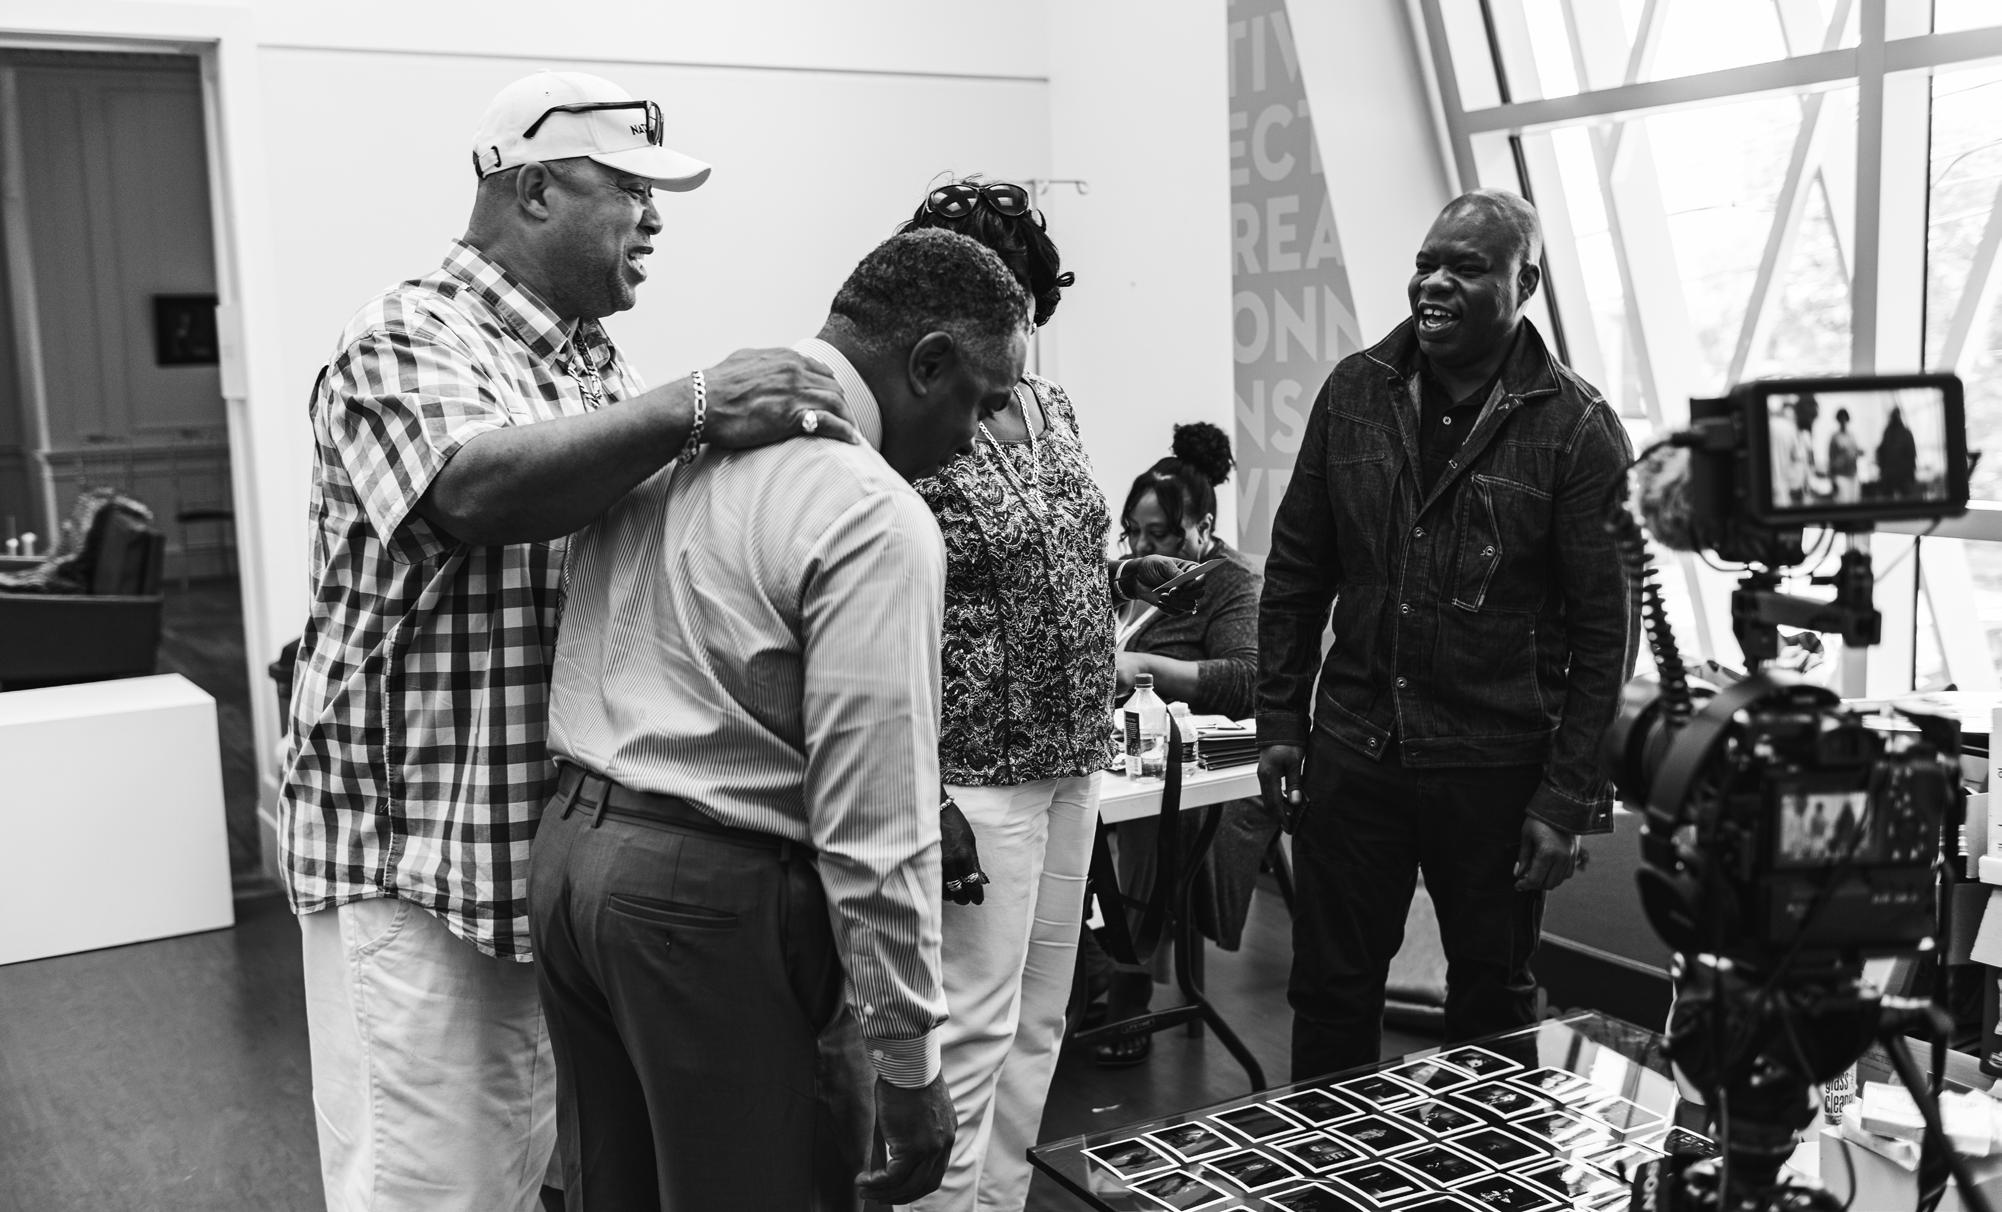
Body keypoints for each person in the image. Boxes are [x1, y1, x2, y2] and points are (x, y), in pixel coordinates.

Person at [276, 70, 858, 1212]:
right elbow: (474, 490)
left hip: (543, 873)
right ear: (534, 190)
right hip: (420, 872)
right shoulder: (406, 333)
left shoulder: (595, 364)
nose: (654, 220)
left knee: (528, 1179)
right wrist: (695, 406)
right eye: (629, 190)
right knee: (432, 1195)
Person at [531, 227, 1031, 1210]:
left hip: (572, 865)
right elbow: (875, 822)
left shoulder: (666, 437)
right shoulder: (870, 510)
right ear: (928, 363)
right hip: (712, 903)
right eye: (982, 400)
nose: (978, 438)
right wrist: (910, 1066)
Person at [1257, 188, 1638, 1082]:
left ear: (1525, 283)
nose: (1433, 283)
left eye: (1465, 268)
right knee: (1330, 991)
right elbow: (1298, 569)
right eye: (1426, 263)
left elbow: (1605, 636)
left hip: (1497, 770)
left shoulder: (1578, 430)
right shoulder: (1355, 391)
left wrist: (1565, 800)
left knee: (1492, 1005)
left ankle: (1490, 1163)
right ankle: (1327, 1157)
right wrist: (1279, 721)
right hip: (1356, 750)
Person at [897, 177, 1201, 1212]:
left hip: (1074, 754)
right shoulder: (909, 419)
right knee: (970, 1028)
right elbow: (885, 603)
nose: (1015, 327)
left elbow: (1045, 553)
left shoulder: (1049, 403)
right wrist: (926, 791)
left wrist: (1119, 576)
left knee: (1041, 1025)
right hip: (976, 770)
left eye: (1023, 303)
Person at [1092, 421, 1273, 1067]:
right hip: (1123, 751)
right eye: (1133, 533)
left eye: (1159, 534)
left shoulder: (1232, 583)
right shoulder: (1133, 580)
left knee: (1150, 818)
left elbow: (1247, 681)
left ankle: (1129, 983)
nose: (1142, 548)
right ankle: (1086, 969)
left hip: (1210, 769)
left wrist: (1142, 668)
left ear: (1202, 527)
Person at [1876, 405, 1918, 500]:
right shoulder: (1889, 432)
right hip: (1891, 475)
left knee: (1906, 498)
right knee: (1890, 498)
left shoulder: (1905, 433)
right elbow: (1881, 451)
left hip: (1901, 474)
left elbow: (1912, 454)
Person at [1828, 405, 1862, 504]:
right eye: (1841, 419)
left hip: (1853, 475)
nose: (1843, 421)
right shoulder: (1835, 437)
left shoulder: (1852, 436)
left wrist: (1858, 453)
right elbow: (1831, 458)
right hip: (1841, 476)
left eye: (1845, 419)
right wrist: (1832, 479)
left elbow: (1855, 452)